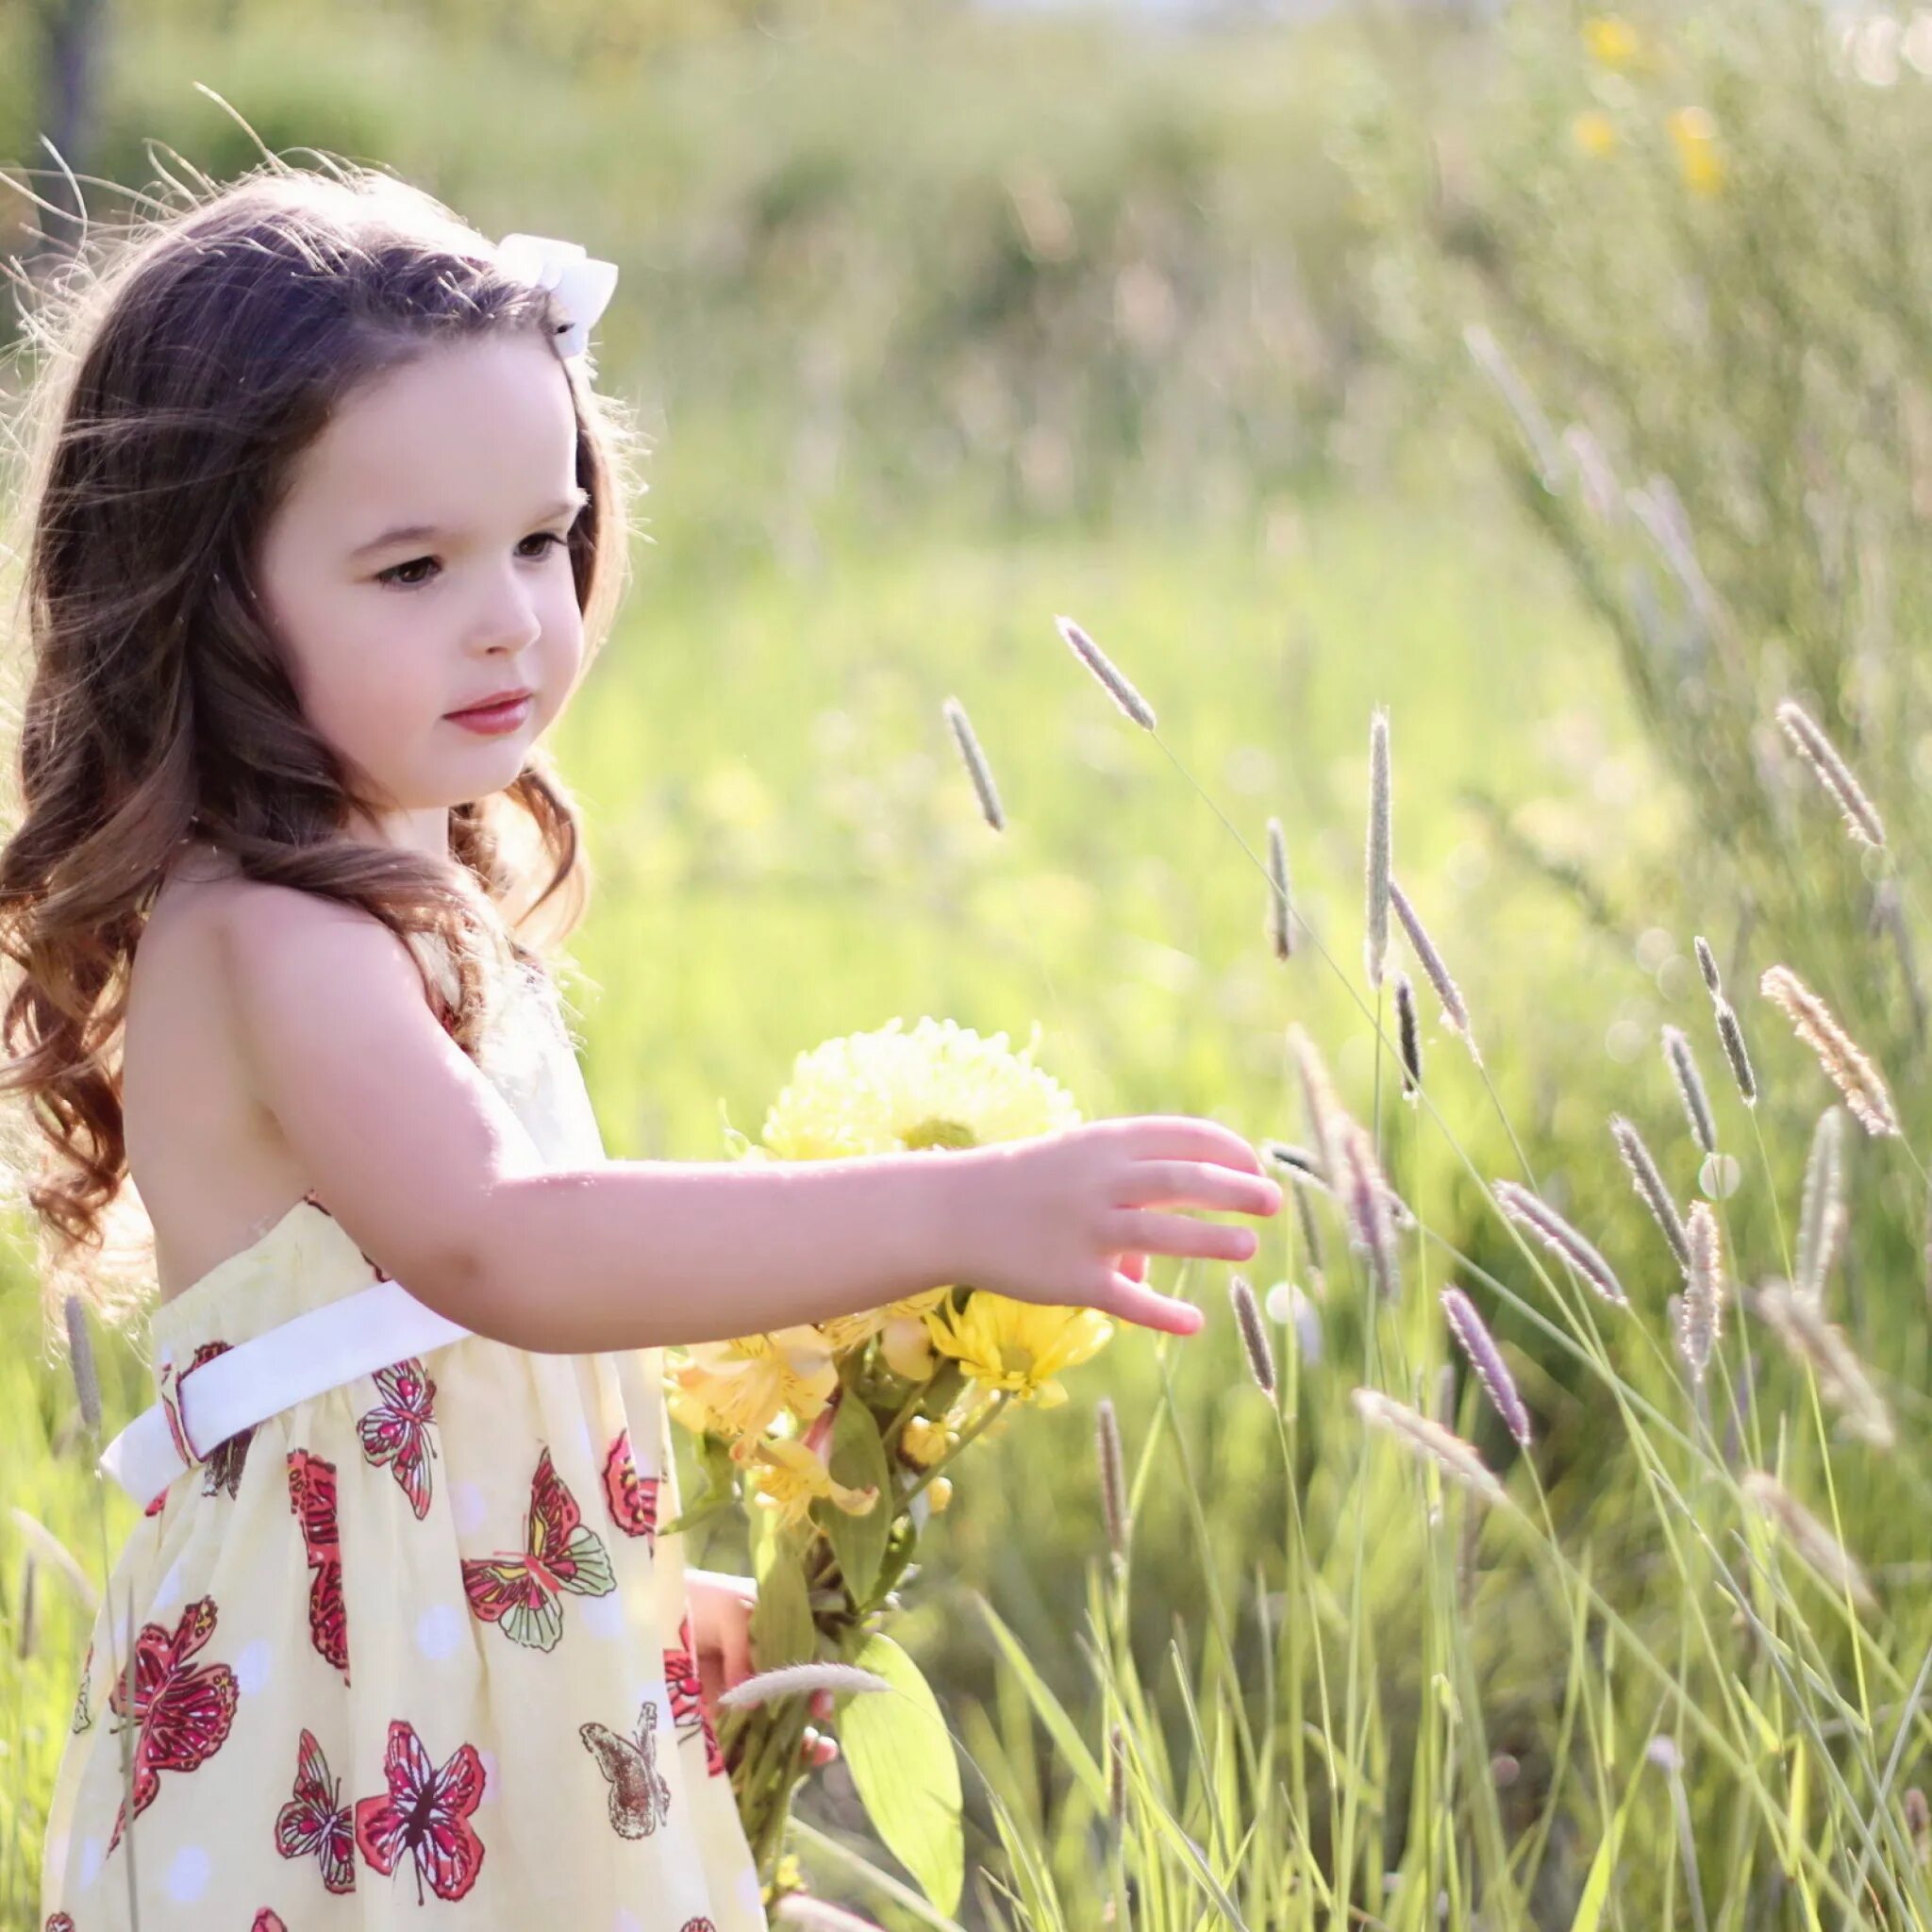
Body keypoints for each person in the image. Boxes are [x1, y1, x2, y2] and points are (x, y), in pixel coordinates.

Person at [0, 156, 1281, 1930]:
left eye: (541, 534)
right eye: (411, 565)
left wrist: (612, 1606)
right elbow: (504, 1244)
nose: (513, 612)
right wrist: (961, 1210)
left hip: (452, 1672)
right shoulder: (273, 937)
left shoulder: (400, 894)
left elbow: (437, 1371)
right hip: (335, 1738)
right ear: (213, 593)